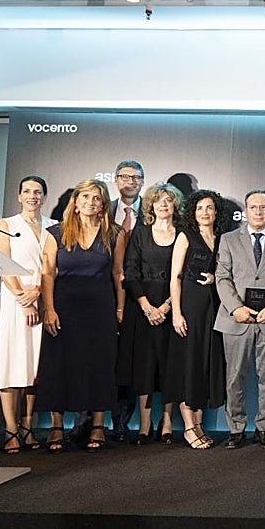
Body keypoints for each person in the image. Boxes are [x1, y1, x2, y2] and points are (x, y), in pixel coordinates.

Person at [35, 179, 121, 452]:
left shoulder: (115, 233)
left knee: (99, 363)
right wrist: (48, 308)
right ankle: (57, 426)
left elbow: (118, 274)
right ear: (75, 202)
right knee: (59, 363)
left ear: (103, 205)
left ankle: (97, 424)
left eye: (96, 198)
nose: (90, 203)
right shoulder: (55, 232)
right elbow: (47, 272)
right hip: (64, 306)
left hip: (100, 306)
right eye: (85, 197)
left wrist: (120, 309)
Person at [214, 189, 265, 449]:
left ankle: (264, 428)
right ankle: (236, 428)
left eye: (263, 207)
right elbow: (222, 277)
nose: (258, 212)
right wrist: (236, 308)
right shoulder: (227, 239)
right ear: (245, 211)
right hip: (236, 319)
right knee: (234, 376)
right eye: (253, 207)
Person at [0, 175, 54, 454]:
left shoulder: (53, 227)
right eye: (27, 191)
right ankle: (11, 429)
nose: (32, 196)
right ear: (18, 195)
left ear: (44, 196)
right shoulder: (7, 224)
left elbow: (52, 269)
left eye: (37, 191)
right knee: (10, 366)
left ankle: (28, 427)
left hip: (41, 299)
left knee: (34, 369)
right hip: (15, 305)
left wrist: (37, 293)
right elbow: (0, 262)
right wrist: (23, 300)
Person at [116, 182, 183, 446]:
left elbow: (182, 275)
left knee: (168, 367)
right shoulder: (140, 233)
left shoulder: (183, 233)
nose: (164, 205)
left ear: (175, 205)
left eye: (168, 200)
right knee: (143, 368)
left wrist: (167, 306)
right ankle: (144, 425)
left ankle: (166, 422)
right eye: (158, 201)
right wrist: (146, 306)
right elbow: (130, 271)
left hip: (172, 308)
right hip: (141, 309)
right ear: (151, 206)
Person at [168, 189, 228, 449]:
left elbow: (227, 273)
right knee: (189, 365)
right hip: (190, 308)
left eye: (209, 208)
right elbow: (175, 277)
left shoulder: (222, 238)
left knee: (205, 366)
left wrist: (215, 278)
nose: (205, 212)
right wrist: (177, 313)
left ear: (216, 212)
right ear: (193, 212)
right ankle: (189, 427)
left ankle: (200, 424)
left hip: (214, 309)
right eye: (200, 208)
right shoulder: (186, 236)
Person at [106, 159, 145, 441]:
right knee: (97, 359)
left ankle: (122, 422)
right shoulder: (101, 209)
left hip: (139, 295)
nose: (130, 181)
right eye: (124, 176)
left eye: (136, 177)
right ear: (116, 180)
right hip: (100, 292)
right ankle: (89, 420)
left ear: (142, 182)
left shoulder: (154, 211)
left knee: (130, 360)